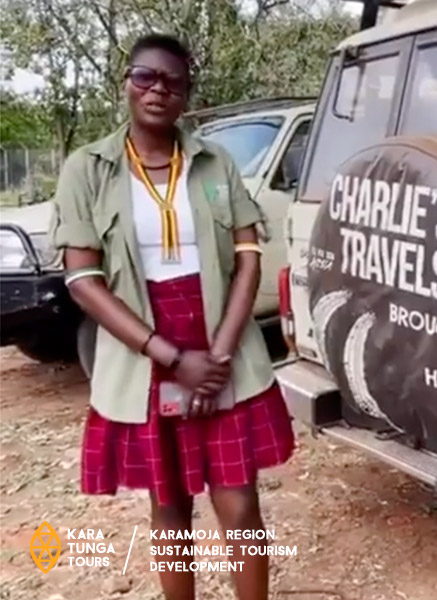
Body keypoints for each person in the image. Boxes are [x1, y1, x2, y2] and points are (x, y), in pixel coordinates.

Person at [49, 33, 295, 600]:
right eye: (146, 77)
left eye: (173, 82)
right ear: (126, 83)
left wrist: (219, 357)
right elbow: (83, 282)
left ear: (186, 95)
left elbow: (248, 260)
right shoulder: (86, 170)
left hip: (219, 342)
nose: (159, 90)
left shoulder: (215, 162)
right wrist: (171, 358)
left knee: (239, 503)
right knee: (171, 505)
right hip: (146, 351)